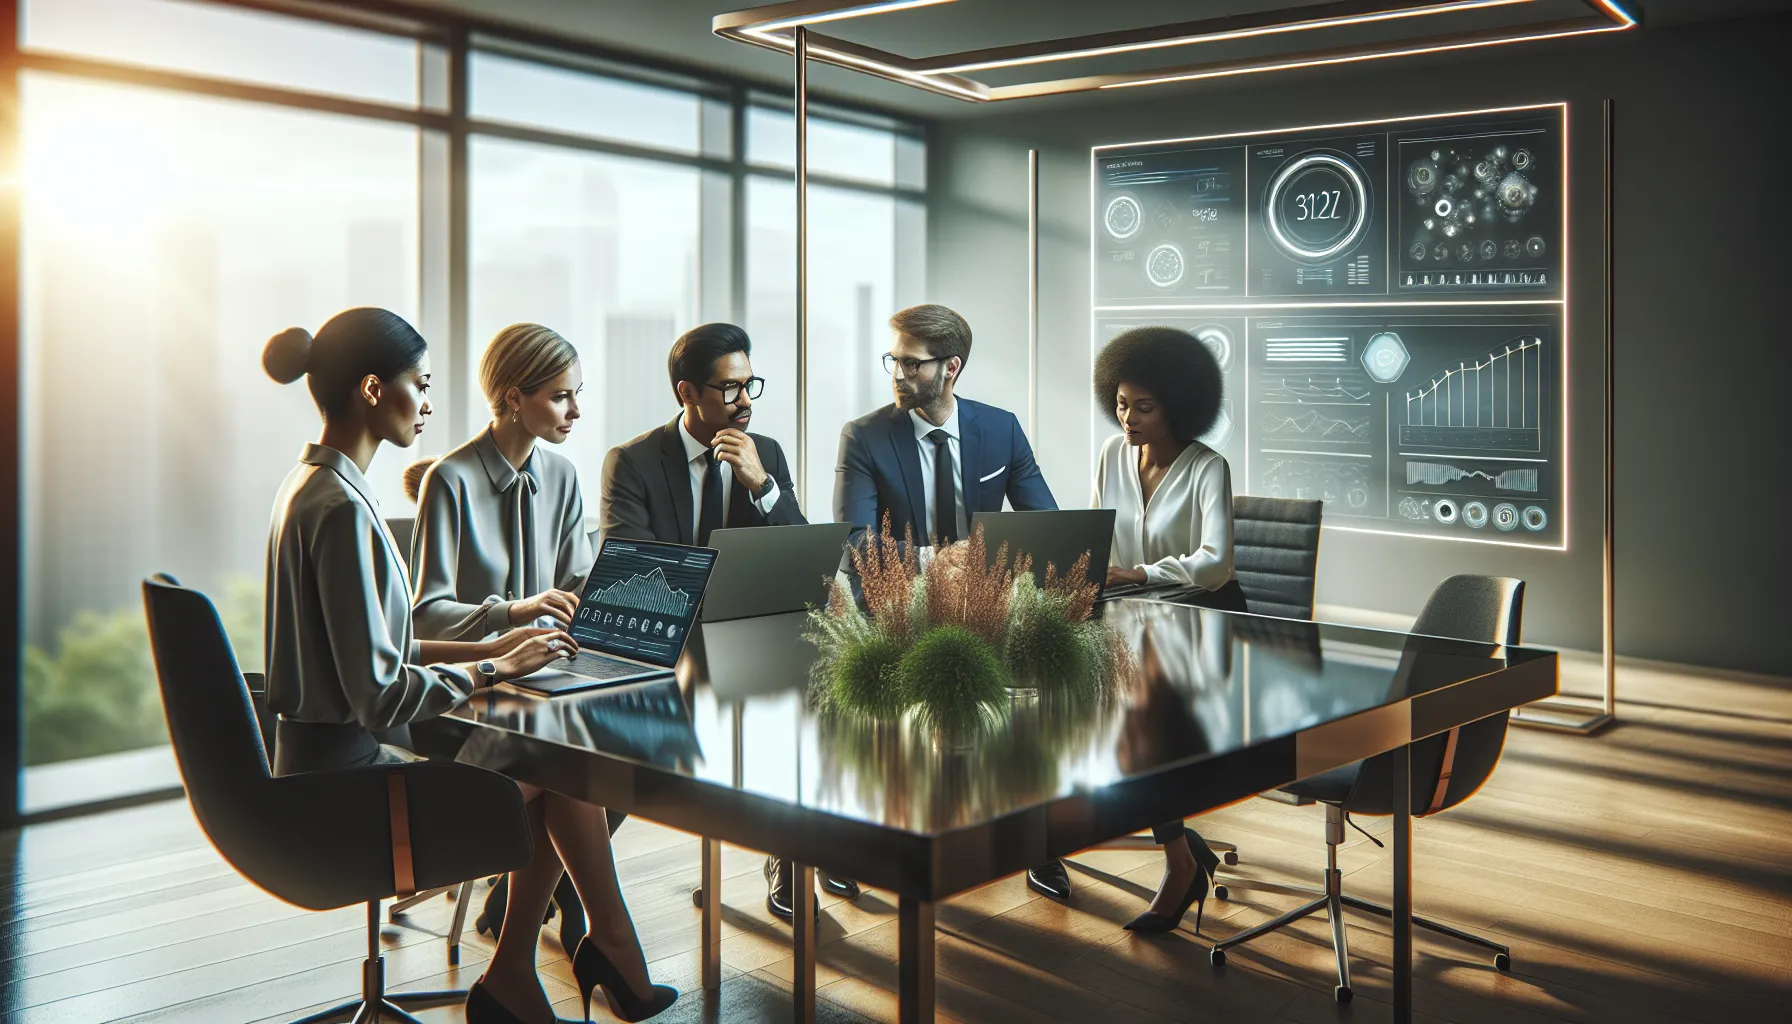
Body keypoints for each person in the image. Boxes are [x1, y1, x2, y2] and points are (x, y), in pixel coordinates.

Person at [263, 308, 676, 1024]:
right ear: (370, 389)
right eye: (419, 386)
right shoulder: (340, 510)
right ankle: (600, 951)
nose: (428, 404)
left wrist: (494, 652)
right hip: (345, 806)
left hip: (327, 774)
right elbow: (382, 690)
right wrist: (491, 666)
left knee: (562, 769)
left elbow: (380, 650)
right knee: (566, 773)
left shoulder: (314, 488)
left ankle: (527, 969)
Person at [598, 322, 841, 923]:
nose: (745, 401)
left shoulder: (767, 455)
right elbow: (635, 575)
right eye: (729, 389)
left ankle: (790, 860)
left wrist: (763, 487)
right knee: (631, 738)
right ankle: (551, 865)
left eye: (750, 384)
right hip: (667, 648)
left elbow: (806, 555)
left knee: (818, 687)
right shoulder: (632, 462)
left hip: (748, 638)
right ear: (687, 393)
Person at [833, 303, 1074, 903]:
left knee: (1055, 664)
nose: (897, 373)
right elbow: (856, 545)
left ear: (951, 368)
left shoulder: (1000, 429)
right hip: (899, 606)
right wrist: (933, 564)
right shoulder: (864, 437)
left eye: (912, 364)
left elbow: (1045, 524)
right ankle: (849, 840)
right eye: (893, 359)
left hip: (984, 603)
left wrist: (987, 567)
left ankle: (1036, 838)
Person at [408, 322, 605, 952]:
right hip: (473, 693)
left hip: (547, 682)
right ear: (514, 398)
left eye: (578, 394)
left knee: (617, 749)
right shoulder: (450, 480)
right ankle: (579, 918)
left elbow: (579, 586)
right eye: (560, 396)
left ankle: (550, 915)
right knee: (580, 766)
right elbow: (425, 618)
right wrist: (514, 612)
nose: (576, 411)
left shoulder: (565, 476)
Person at [1091, 324, 1245, 934]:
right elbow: (1101, 537)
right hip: (1132, 617)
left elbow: (1216, 563)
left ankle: (1180, 863)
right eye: (1122, 403)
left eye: (1143, 407)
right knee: (1102, 715)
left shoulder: (1209, 468)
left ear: (1176, 405)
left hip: (1202, 620)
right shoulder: (1110, 456)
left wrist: (1140, 572)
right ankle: (1182, 849)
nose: (1127, 418)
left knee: (1144, 728)